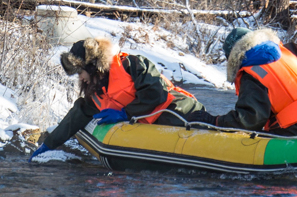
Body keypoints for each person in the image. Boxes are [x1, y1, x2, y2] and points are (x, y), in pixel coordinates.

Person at [30, 37, 215, 157]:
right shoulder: (97, 92)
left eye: (80, 72)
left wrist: (125, 114)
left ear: (92, 66)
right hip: (158, 127)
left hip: (181, 111)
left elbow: (155, 94)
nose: (80, 78)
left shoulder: (132, 64)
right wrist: (49, 144)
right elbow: (76, 116)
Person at [212, 26, 297, 135]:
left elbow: (250, 120)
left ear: (234, 58)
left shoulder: (252, 73)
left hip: (296, 132)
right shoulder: (288, 51)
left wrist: (215, 121)